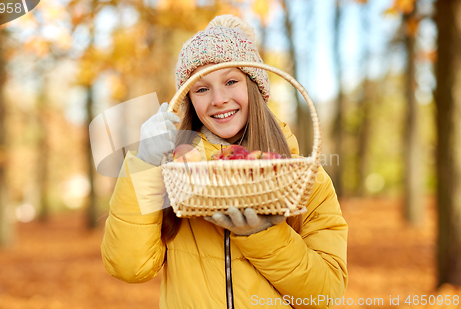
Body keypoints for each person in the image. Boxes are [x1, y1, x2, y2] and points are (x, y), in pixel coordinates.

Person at [101, 15, 348, 309]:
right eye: (202, 89)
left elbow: (327, 294)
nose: (218, 99)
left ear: (254, 87)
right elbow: (128, 267)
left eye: (231, 81)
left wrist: (262, 236)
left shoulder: (304, 177)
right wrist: (144, 164)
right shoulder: (176, 174)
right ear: (189, 98)